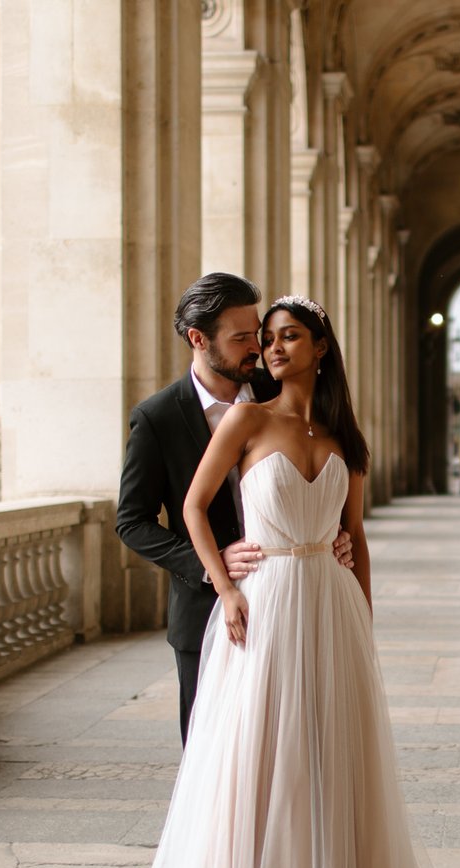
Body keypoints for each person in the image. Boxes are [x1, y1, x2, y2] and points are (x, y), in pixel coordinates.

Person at [115, 295, 460, 868]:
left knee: (332, 762)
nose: (272, 349)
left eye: (288, 337)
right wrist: (225, 586)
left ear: (320, 349)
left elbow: (356, 535)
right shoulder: (246, 418)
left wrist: (363, 617)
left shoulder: (343, 438)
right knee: (262, 760)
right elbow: (190, 508)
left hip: (331, 608)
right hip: (266, 603)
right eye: (266, 339)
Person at [115, 273, 349, 745]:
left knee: (294, 748)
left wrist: (334, 531)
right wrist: (210, 564)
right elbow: (132, 521)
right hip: (205, 612)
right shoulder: (157, 418)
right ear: (199, 339)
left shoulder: (278, 389)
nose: (258, 348)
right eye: (242, 338)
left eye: (257, 334)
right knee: (212, 758)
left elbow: (325, 461)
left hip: (294, 604)